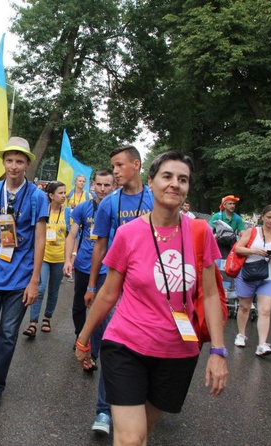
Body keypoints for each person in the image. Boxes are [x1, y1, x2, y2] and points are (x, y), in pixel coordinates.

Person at [75, 151, 228, 444]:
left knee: (141, 432)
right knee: (131, 439)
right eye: (167, 176)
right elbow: (109, 293)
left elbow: (210, 295)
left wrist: (218, 352)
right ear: (152, 182)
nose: (175, 184)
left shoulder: (200, 232)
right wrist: (84, 338)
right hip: (126, 346)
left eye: (183, 179)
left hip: (178, 353)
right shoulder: (129, 233)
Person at [0, 136, 48, 410]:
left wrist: (35, 280)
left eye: (20, 161)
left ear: (27, 164)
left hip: (20, 278)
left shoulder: (37, 197)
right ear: (3, 162)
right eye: (10, 160)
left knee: (9, 334)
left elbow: (40, 239)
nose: (14, 166)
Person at [85, 145, 154, 435]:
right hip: (116, 281)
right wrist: (91, 284)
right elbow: (100, 245)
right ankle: (103, 410)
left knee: (147, 346)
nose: (114, 171)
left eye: (119, 165)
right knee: (114, 343)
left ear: (136, 165)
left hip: (151, 286)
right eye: (112, 166)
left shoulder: (155, 199)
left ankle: (143, 402)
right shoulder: (109, 203)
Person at [63, 169, 115, 372]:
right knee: (79, 306)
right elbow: (72, 235)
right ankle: (80, 336)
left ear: (114, 187)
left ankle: (92, 353)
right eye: (99, 184)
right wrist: (68, 259)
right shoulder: (83, 208)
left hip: (107, 268)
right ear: (93, 185)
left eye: (107, 185)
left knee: (100, 310)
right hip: (84, 264)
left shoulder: (117, 210)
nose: (102, 189)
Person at [233, 205, 271, 356]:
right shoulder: (252, 232)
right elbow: (238, 249)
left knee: (265, 310)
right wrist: (255, 251)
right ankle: (241, 334)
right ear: (263, 216)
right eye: (269, 217)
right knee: (244, 307)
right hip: (248, 274)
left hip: (268, 277)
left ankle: (262, 344)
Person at [22, 181, 70, 337]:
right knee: (40, 288)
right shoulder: (43, 211)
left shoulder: (68, 213)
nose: (64, 196)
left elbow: (71, 238)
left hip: (59, 258)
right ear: (51, 195)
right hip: (43, 257)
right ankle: (33, 323)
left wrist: (70, 258)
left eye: (65, 193)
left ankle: (47, 318)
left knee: (54, 290)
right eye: (60, 193)